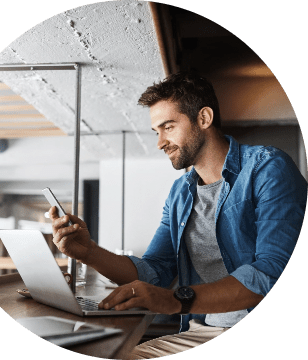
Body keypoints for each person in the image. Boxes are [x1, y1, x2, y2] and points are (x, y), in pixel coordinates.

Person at [49, 72, 307, 358]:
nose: (160, 142)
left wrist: (176, 300)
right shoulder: (180, 193)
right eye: (156, 131)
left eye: (168, 127)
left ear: (204, 118)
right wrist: (89, 252)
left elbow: (273, 272)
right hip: (200, 330)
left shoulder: (267, 168)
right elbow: (155, 272)